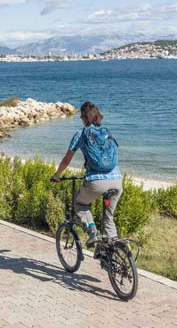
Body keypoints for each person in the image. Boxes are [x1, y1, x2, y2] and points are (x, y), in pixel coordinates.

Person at [51, 101, 122, 248]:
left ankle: (92, 231)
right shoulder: (106, 132)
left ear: (84, 117)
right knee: (109, 219)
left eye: (81, 117)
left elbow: (66, 160)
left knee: (80, 203)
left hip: (96, 182)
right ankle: (115, 252)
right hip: (116, 180)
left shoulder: (80, 135)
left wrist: (57, 175)